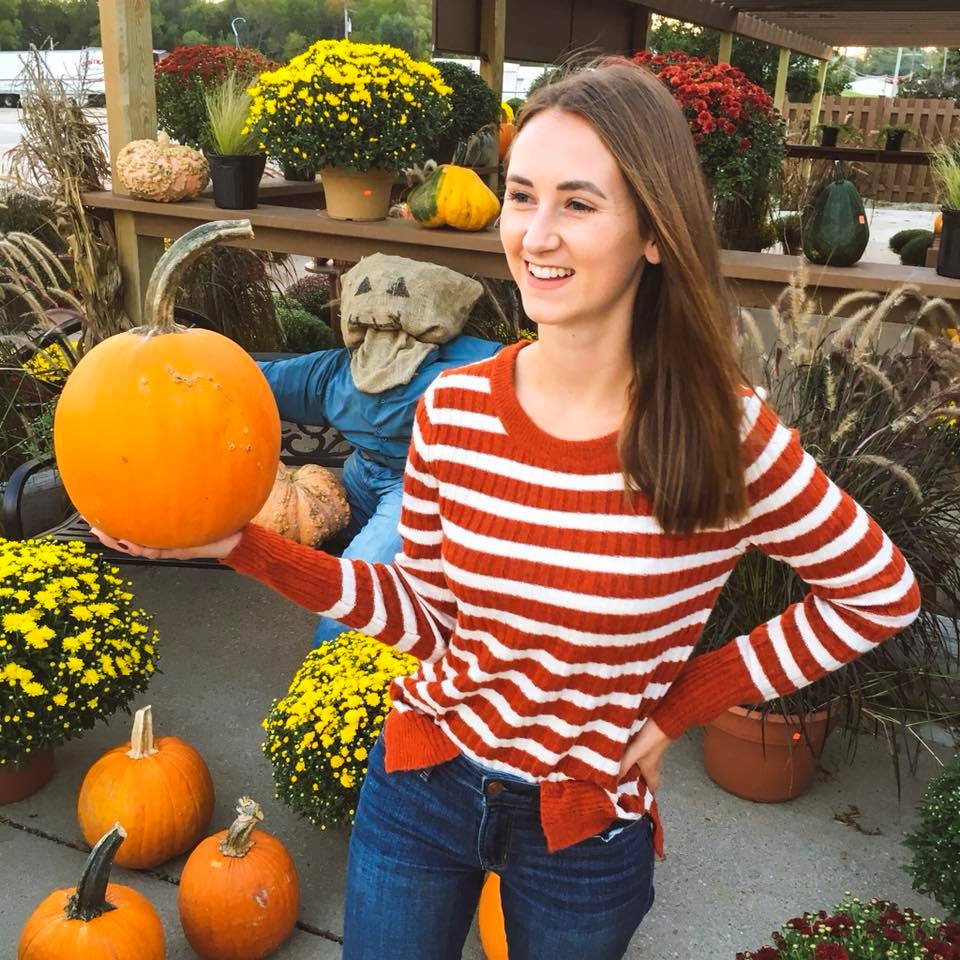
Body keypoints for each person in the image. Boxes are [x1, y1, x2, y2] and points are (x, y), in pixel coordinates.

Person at [95, 60, 921, 960]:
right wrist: (239, 546)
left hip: (584, 827)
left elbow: (878, 592)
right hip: (421, 782)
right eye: (523, 196)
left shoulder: (721, 433)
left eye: (579, 202)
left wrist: (680, 708)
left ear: (654, 230)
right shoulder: (456, 409)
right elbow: (425, 619)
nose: (536, 234)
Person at [259, 253, 502, 646]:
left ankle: (329, 686)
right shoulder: (336, 370)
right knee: (354, 571)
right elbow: (257, 381)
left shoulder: (476, 367)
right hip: (359, 479)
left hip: (421, 490)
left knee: (360, 586)